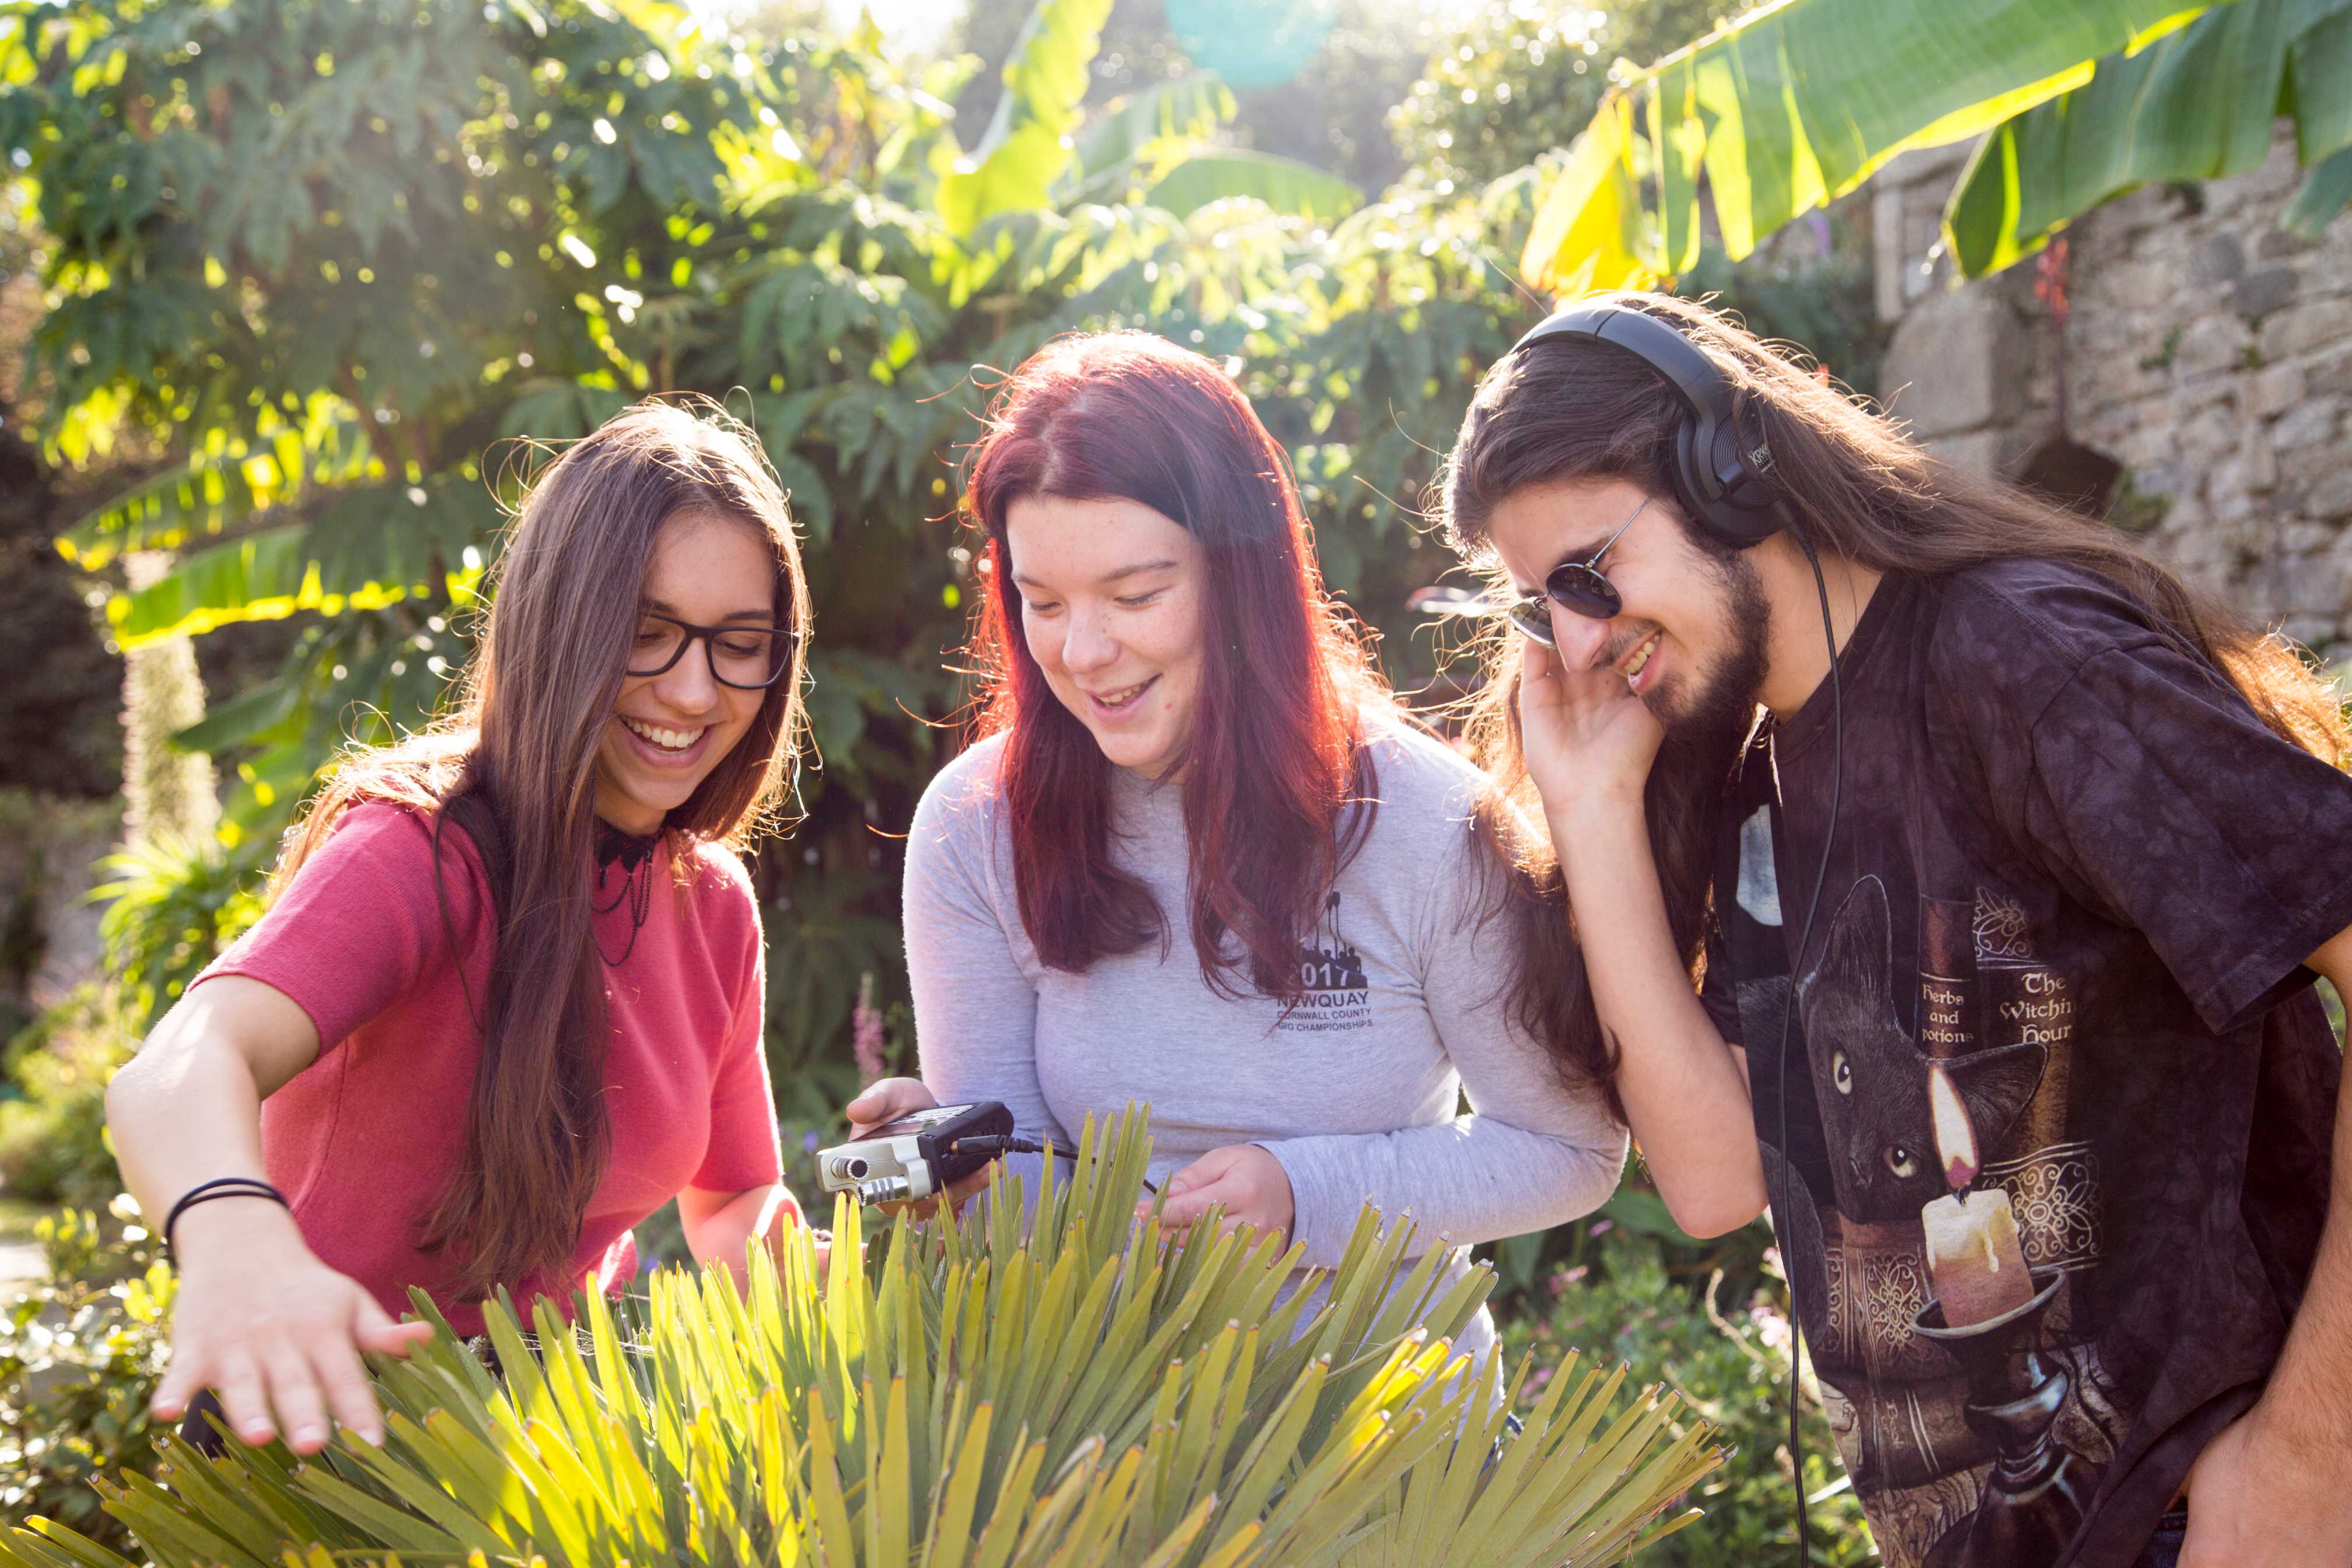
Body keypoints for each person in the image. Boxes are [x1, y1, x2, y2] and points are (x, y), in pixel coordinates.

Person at [1435, 290, 2351, 1568]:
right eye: (1545, 606)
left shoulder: (2020, 659)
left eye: (1591, 573)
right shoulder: (1754, 754)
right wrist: (1592, 811)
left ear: (1734, 470)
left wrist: (2311, 1471)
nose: (1582, 641)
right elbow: (1709, 1180)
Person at [848, 331, 1626, 1380]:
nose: (1083, 653)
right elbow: (1025, 1204)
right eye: (1043, 603)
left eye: (1135, 597)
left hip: (1388, 1445)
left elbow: (1568, 1151)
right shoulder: (975, 825)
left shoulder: (1427, 821)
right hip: (1101, 1444)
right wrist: (960, 1174)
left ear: (1241, 581)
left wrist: (1304, 1197)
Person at [107, 400, 814, 1455]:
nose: (694, 689)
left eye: (740, 645)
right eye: (645, 632)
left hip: (545, 1448)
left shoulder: (711, 904)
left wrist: (830, 1267)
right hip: (318, 1435)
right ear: (560, 625)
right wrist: (232, 1237)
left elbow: (736, 1195)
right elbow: (182, 1059)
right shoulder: (419, 849)